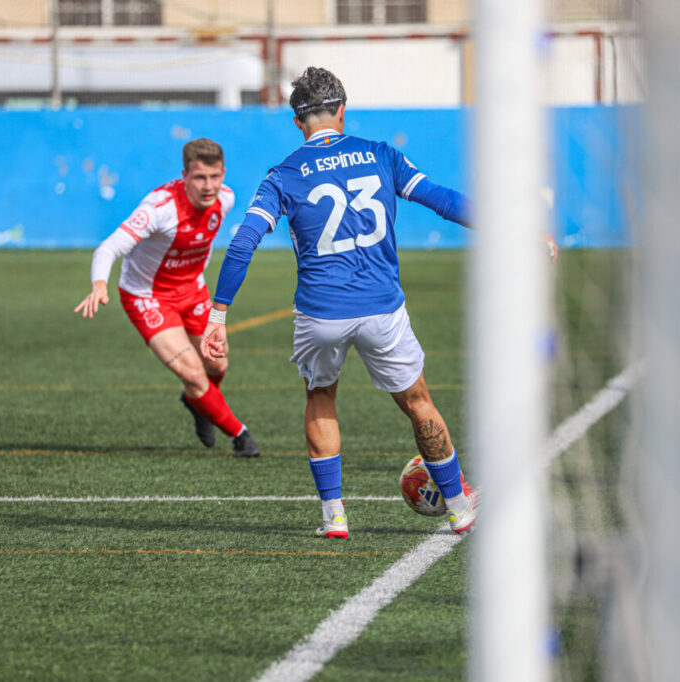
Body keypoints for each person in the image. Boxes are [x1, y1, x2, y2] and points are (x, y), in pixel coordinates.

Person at [201, 67, 477, 537]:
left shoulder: (283, 174)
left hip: (320, 313)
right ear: (343, 111)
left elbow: (244, 242)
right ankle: (458, 506)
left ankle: (334, 517)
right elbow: (445, 201)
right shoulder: (381, 155)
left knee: (320, 396)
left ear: (297, 121)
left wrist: (218, 313)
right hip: (381, 308)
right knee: (417, 401)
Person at [75, 138, 260, 457]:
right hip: (147, 296)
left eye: (215, 177)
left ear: (223, 174)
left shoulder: (226, 200)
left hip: (193, 289)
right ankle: (240, 436)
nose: (208, 186)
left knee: (217, 364)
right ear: (184, 175)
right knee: (192, 371)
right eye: (200, 177)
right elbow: (108, 248)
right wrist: (99, 285)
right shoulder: (159, 209)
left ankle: (198, 403)